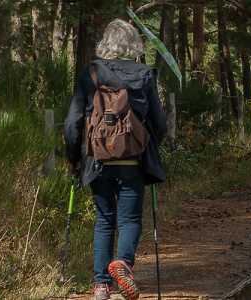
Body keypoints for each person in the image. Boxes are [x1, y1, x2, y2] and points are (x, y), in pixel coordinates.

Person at [64, 19, 167, 300]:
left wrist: (74, 160)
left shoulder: (90, 74)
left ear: (106, 43)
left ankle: (101, 286)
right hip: (133, 160)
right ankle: (122, 263)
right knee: (130, 219)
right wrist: (150, 151)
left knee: (105, 220)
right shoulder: (145, 74)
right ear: (133, 44)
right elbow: (159, 124)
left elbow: (72, 123)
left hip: (97, 161)